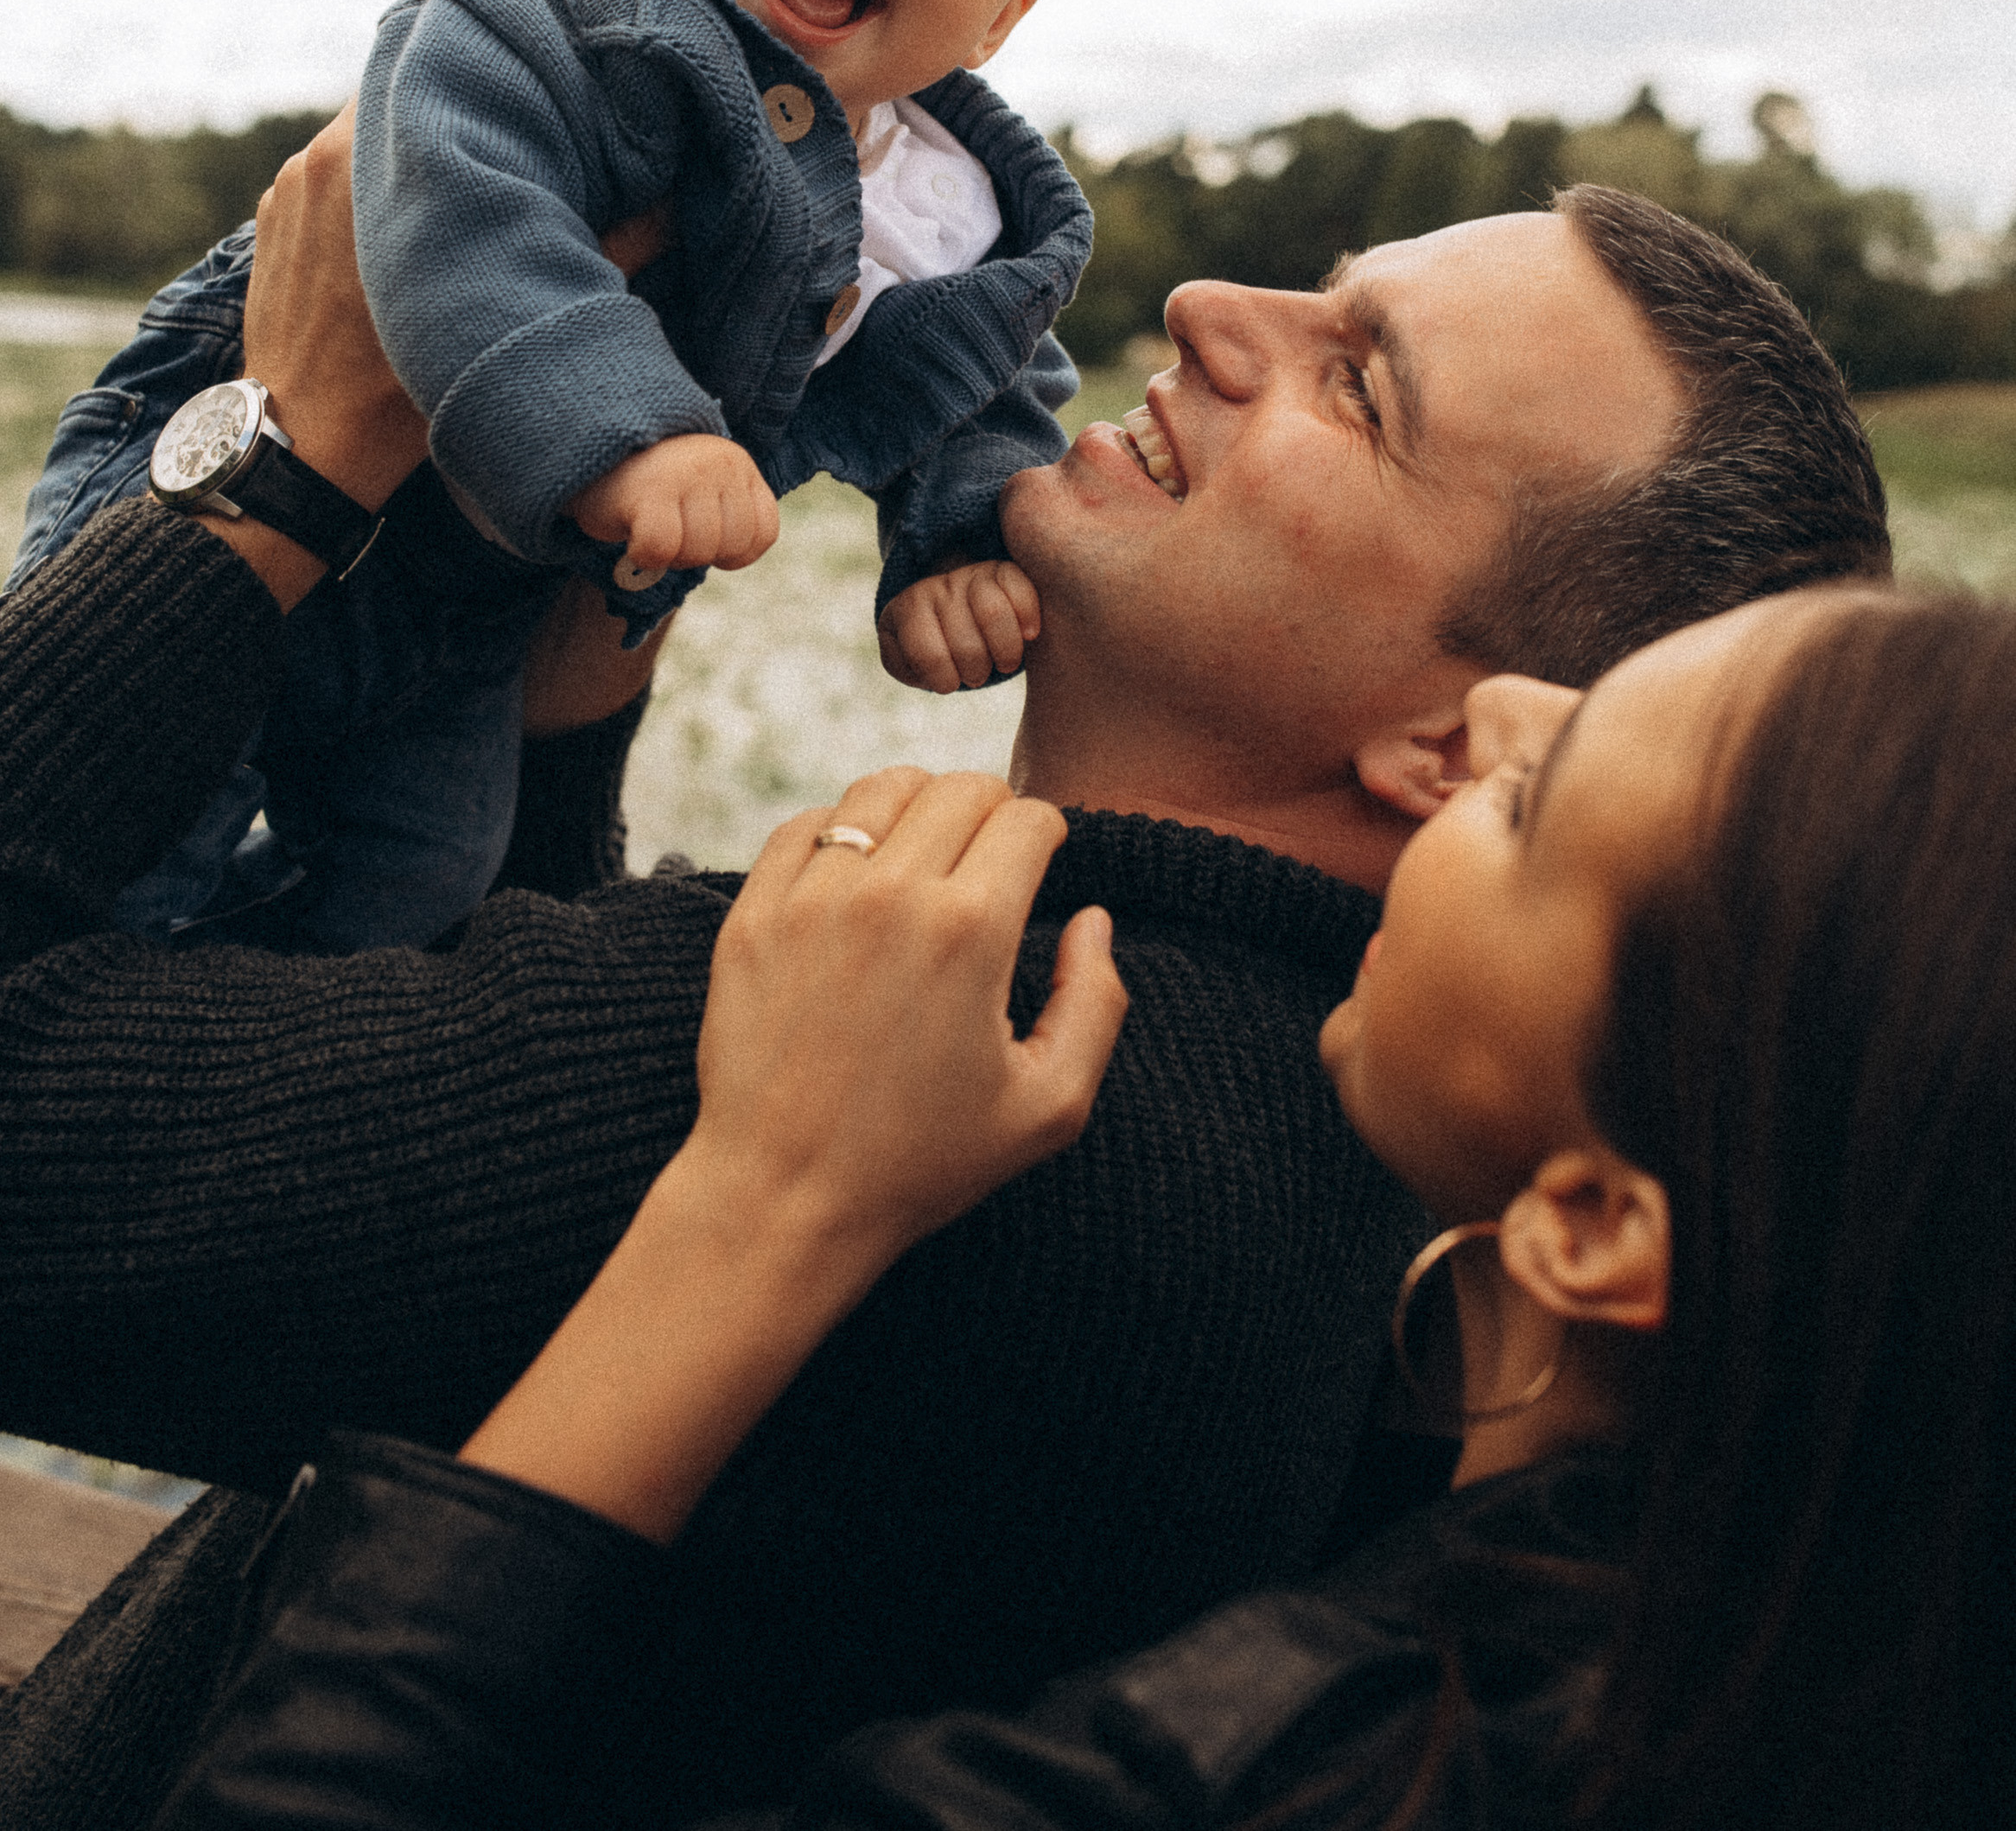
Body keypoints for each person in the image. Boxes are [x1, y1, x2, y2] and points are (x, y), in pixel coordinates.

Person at [0, 123, 1888, 1827]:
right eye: (1315, 295)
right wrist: (585, 661)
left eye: (1359, 382)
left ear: (1467, 740)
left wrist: (286, 453)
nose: (1213, 307)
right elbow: (497, 1191)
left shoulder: (930, 1088)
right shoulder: (1350, 1146)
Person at [147, 576, 2016, 1831]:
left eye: (1537, 802)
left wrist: (765, 1199)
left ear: (1598, 1226)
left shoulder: (1288, 1762)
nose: (1493, 702)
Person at [11, 0, 1102, 951]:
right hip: (216, 487)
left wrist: (959, 539)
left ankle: (216, 1071)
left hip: (471, 623)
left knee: (418, 903)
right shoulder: (554, 8)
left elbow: (976, 371)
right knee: (114, 867)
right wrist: (631, 430)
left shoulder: (947, 207)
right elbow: (461, 208)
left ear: (1006, 8)